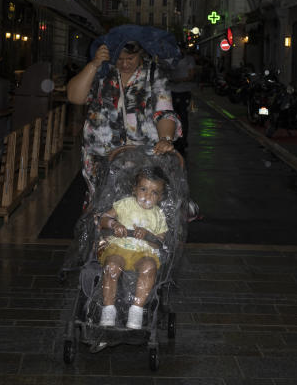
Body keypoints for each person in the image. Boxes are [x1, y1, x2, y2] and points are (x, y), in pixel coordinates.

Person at [66, 41, 181, 193]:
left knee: (139, 209)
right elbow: (75, 97)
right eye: (119, 59)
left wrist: (165, 138)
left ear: (140, 54)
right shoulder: (103, 71)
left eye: (130, 58)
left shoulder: (154, 73)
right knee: (103, 209)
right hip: (101, 158)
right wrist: (94, 64)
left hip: (143, 160)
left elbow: (164, 110)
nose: (125, 64)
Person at [96, 167, 168, 329]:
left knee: (149, 267)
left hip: (144, 253)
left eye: (154, 193)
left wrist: (149, 236)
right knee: (111, 267)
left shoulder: (159, 215)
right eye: (143, 189)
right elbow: (103, 219)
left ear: (160, 197)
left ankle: (136, 309)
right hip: (119, 248)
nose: (147, 196)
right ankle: (108, 309)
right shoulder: (125, 204)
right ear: (134, 190)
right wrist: (114, 224)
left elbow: (160, 242)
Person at [169, 46, 198, 153]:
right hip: (171, 92)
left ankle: (182, 141)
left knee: (183, 117)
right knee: (172, 117)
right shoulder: (170, 59)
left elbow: (191, 75)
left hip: (184, 92)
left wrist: (178, 80)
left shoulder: (189, 59)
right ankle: (174, 140)